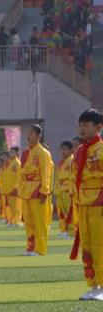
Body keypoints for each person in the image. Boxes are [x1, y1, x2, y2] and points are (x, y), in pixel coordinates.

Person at [72, 109, 103, 301]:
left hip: (99, 201)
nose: (82, 128)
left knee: (100, 244)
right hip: (82, 203)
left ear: (98, 127)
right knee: (87, 245)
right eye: (80, 124)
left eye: (86, 124)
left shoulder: (101, 149)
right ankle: (93, 285)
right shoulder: (79, 151)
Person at [17, 125, 53, 256]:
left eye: (31, 133)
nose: (28, 136)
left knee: (39, 221)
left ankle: (41, 249)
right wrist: (20, 188)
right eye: (28, 133)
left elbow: (46, 173)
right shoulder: (27, 152)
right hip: (26, 190)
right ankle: (31, 247)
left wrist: (44, 191)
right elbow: (21, 173)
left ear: (39, 136)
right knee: (28, 221)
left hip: (37, 190)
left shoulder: (43, 153)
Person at [55, 141, 75, 239]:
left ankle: (72, 232)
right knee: (65, 212)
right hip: (62, 189)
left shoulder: (72, 160)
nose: (62, 151)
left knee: (70, 212)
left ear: (71, 150)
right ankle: (67, 230)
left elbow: (72, 176)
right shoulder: (62, 162)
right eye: (61, 149)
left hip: (68, 189)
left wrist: (70, 189)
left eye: (65, 149)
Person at [2, 147, 22, 226]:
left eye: (12, 152)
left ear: (17, 153)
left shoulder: (17, 163)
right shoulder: (10, 163)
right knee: (11, 206)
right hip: (9, 189)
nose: (10, 154)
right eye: (10, 152)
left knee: (16, 206)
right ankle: (11, 220)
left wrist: (16, 187)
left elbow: (19, 177)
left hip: (14, 189)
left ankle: (16, 221)